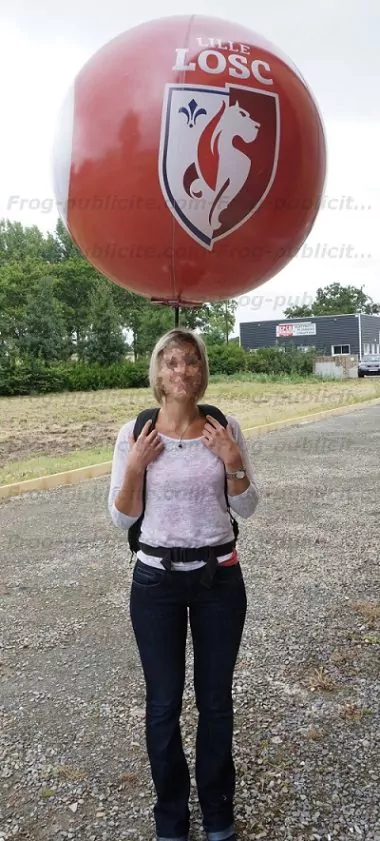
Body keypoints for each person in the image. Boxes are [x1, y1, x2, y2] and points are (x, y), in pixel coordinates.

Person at [108, 327, 259, 841]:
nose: (182, 372)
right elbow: (120, 516)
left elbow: (246, 506)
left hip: (219, 578)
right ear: (157, 371)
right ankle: (171, 818)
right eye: (171, 362)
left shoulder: (224, 426)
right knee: (163, 704)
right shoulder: (135, 433)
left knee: (216, 702)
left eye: (191, 362)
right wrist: (135, 466)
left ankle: (218, 813)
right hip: (155, 583)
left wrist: (233, 462)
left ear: (202, 370)